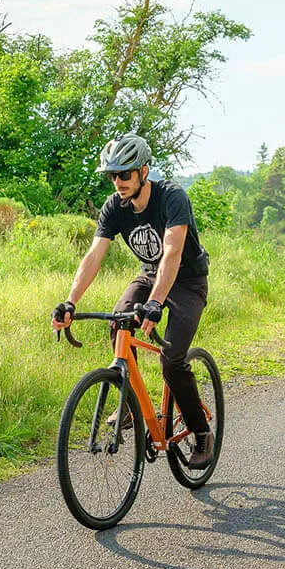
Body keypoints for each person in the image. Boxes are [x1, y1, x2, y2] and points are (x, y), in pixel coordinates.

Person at [53, 134, 213, 464]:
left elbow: (172, 253)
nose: (118, 182)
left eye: (124, 174)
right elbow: (93, 256)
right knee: (119, 318)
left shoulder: (171, 197)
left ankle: (201, 433)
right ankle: (131, 406)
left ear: (143, 171)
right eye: (112, 175)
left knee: (171, 360)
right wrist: (70, 301)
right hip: (151, 275)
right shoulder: (115, 206)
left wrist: (156, 304)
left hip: (187, 281)